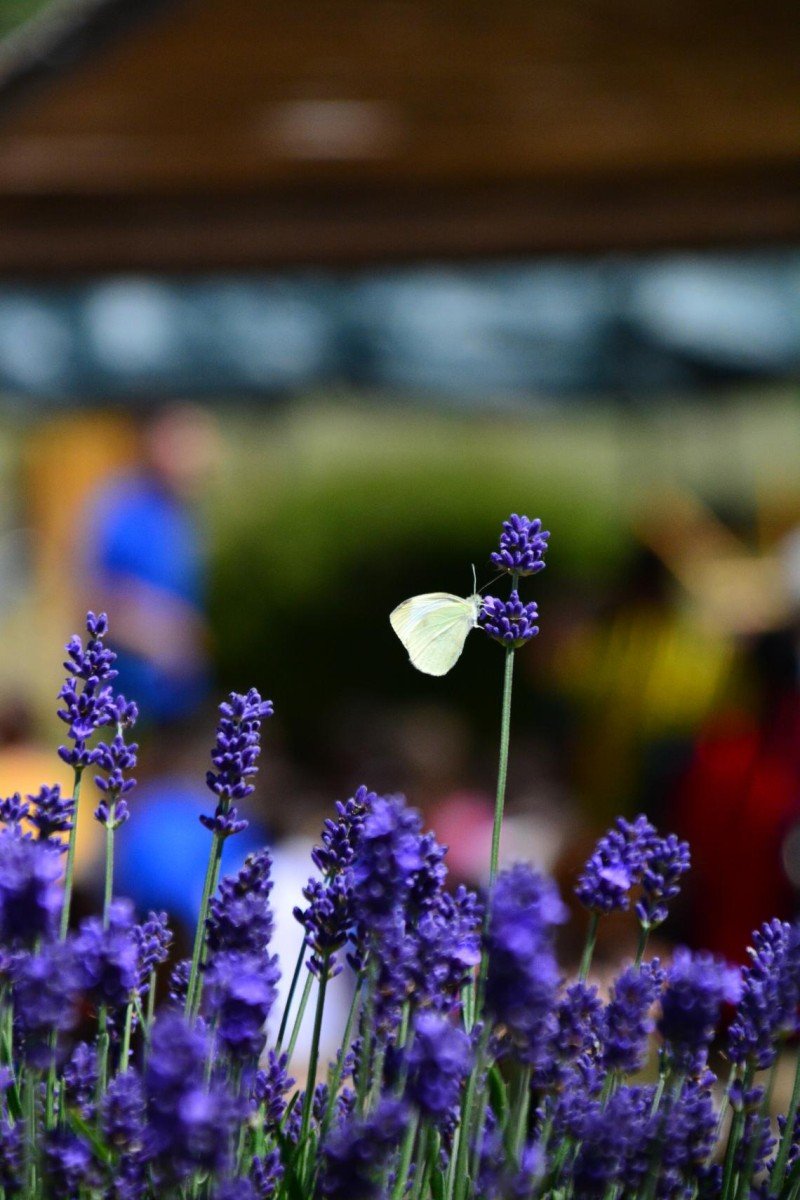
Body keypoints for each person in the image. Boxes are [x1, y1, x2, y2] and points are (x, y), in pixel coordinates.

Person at [80, 403, 219, 725]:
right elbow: (90, 596)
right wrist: (156, 633)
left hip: (180, 700)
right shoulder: (123, 507)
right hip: (126, 704)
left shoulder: (181, 513)